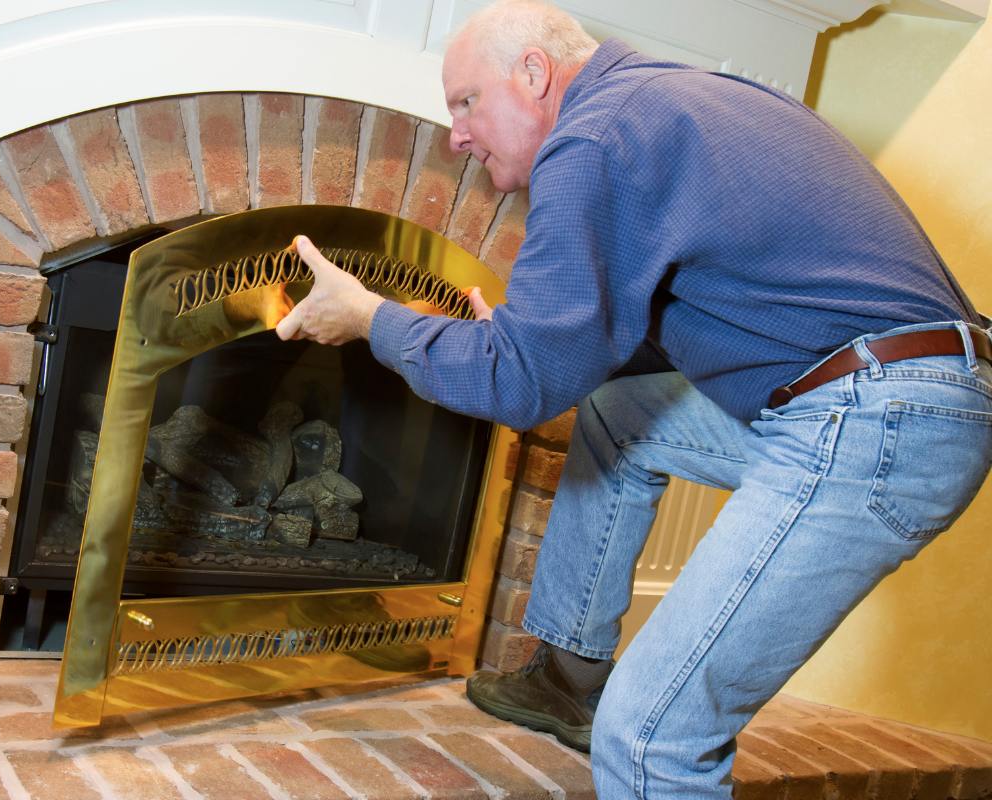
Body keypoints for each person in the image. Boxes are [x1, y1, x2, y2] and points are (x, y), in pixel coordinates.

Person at [275, 1, 992, 797]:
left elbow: (520, 387)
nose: (456, 136)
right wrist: (527, 342)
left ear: (535, 75)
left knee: (652, 736)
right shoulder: (682, 101)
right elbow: (607, 349)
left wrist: (372, 317)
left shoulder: (593, 138)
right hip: (921, 398)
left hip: (872, 419)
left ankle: (607, 710)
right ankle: (570, 676)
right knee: (622, 419)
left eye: (466, 103)